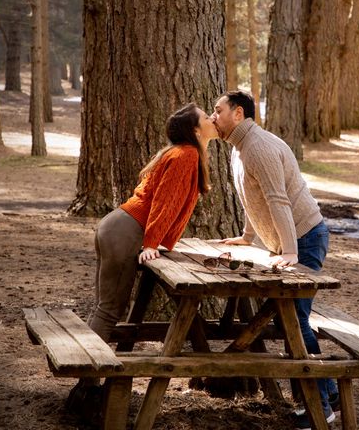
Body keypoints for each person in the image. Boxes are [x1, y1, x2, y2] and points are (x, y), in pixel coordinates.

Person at [66, 102, 218, 421]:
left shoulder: (186, 154)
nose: (212, 118)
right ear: (194, 129)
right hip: (125, 232)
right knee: (109, 310)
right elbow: (164, 202)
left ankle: (88, 385)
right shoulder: (185, 155)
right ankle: (86, 389)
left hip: (119, 227)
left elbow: (172, 206)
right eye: (206, 117)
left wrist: (161, 244)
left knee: (106, 308)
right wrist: (151, 243)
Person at [211, 90, 338, 430]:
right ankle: (330, 391)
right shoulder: (239, 150)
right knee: (289, 320)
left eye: (218, 111)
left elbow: (279, 201)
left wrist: (291, 251)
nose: (213, 117)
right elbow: (253, 198)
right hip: (289, 241)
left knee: (293, 320)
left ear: (238, 114)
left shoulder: (260, 147)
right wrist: (248, 236)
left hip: (306, 238)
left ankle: (320, 409)